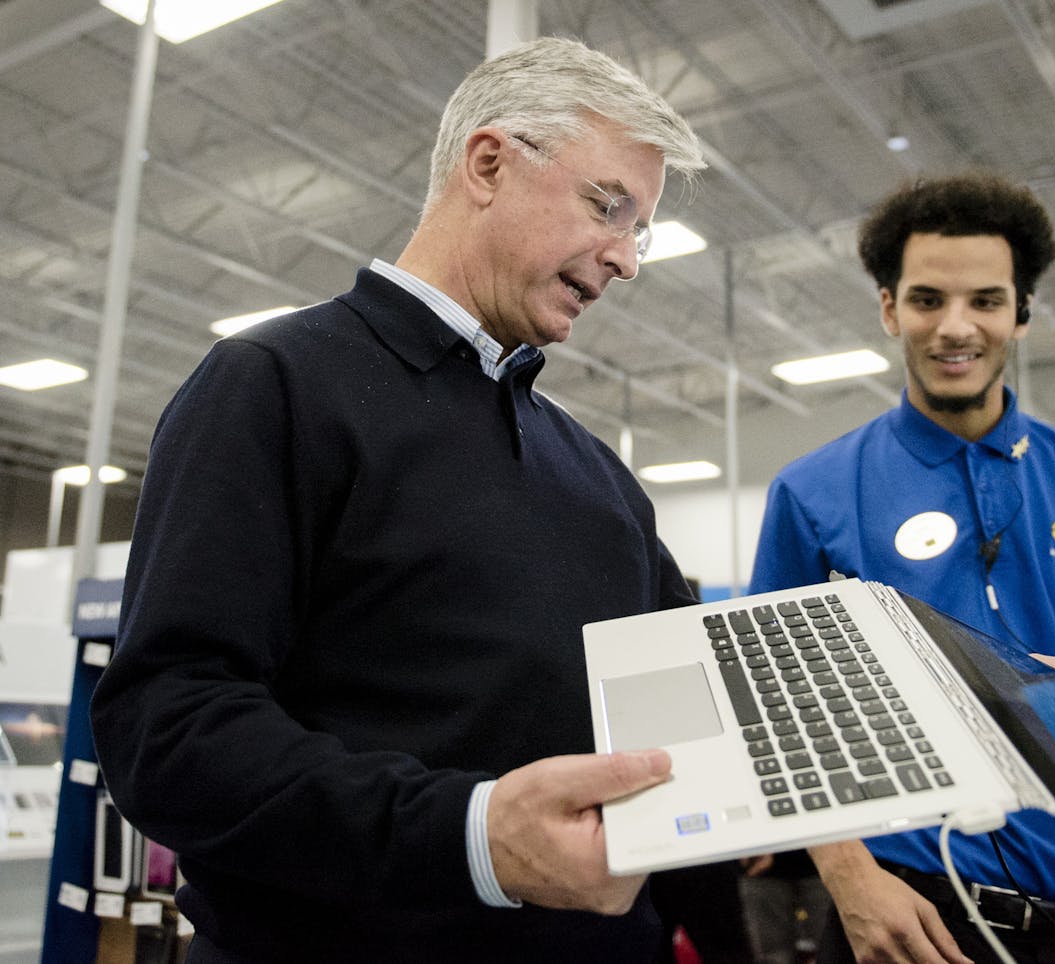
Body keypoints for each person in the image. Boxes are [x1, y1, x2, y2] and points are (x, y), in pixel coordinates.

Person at [90, 37, 706, 963]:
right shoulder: (273, 386)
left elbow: (691, 689)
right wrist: (469, 834)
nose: (625, 259)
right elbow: (169, 729)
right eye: (607, 207)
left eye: (640, 231)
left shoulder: (599, 475)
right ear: (489, 163)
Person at [748, 172, 1055, 963]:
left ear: (1021, 314)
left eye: (986, 301)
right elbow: (770, 710)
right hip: (901, 918)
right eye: (927, 299)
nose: (956, 328)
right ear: (890, 308)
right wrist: (849, 879)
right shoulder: (813, 496)